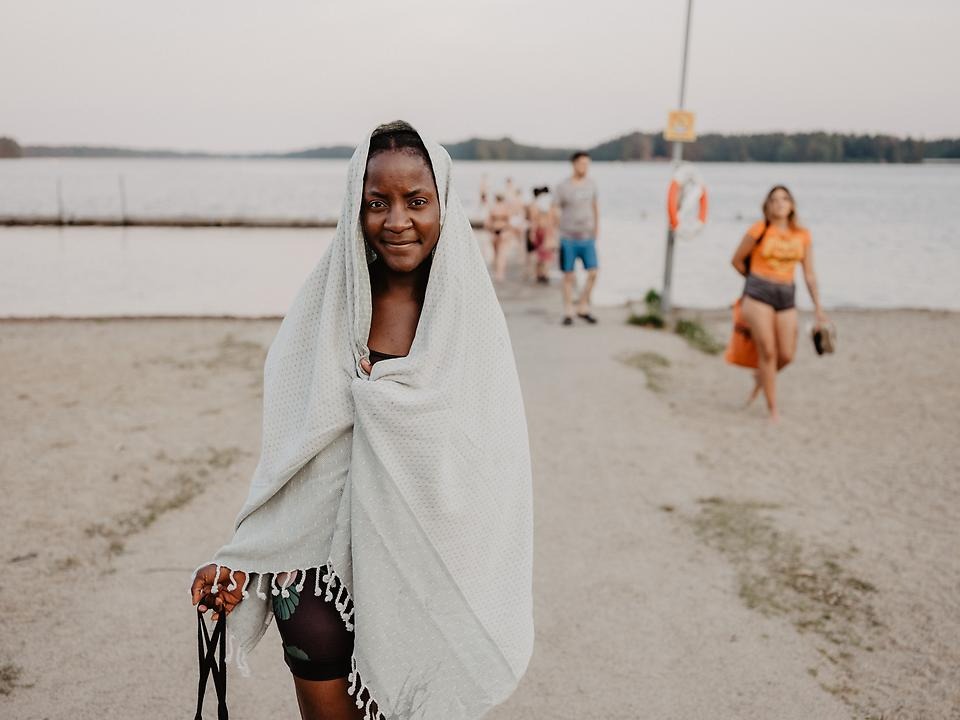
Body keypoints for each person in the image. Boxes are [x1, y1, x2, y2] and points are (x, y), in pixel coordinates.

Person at [190, 121, 534, 720]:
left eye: (417, 201)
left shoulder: (468, 325)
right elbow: (292, 461)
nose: (397, 220)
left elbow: (490, 482)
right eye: (377, 202)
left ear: (444, 204)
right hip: (317, 591)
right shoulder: (324, 310)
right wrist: (241, 558)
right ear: (356, 206)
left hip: (425, 589)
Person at [730, 185, 827, 421]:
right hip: (758, 294)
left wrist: (818, 310)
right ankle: (773, 409)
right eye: (774, 200)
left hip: (786, 295)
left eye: (784, 199)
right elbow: (736, 261)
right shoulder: (759, 230)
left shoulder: (802, 235)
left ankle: (761, 376)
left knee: (786, 354)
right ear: (768, 206)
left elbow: (810, 275)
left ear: (792, 205)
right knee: (768, 351)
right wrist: (755, 281)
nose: (780, 203)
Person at [554, 151, 599, 325]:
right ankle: (568, 311)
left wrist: (597, 229)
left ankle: (582, 304)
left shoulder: (592, 185)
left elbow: (595, 207)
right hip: (568, 237)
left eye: (587, 164)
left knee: (593, 272)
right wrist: (553, 235)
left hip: (587, 236)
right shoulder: (563, 186)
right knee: (568, 276)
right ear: (574, 164)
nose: (585, 167)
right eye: (582, 164)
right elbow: (554, 210)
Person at [529, 186, 556, 284]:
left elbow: (534, 219)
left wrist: (532, 232)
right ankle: (543, 274)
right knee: (545, 254)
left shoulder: (536, 204)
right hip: (544, 230)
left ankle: (540, 274)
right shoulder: (548, 203)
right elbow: (552, 219)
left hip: (540, 230)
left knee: (541, 253)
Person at [484, 192, 512, 282]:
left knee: (496, 253)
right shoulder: (506, 208)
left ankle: (497, 272)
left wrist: (490, 231)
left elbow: (487, 222)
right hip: (503, 230)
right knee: (501, 253)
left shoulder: (493, 208)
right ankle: (500, 273)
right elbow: (509, 222)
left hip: (494, 231)